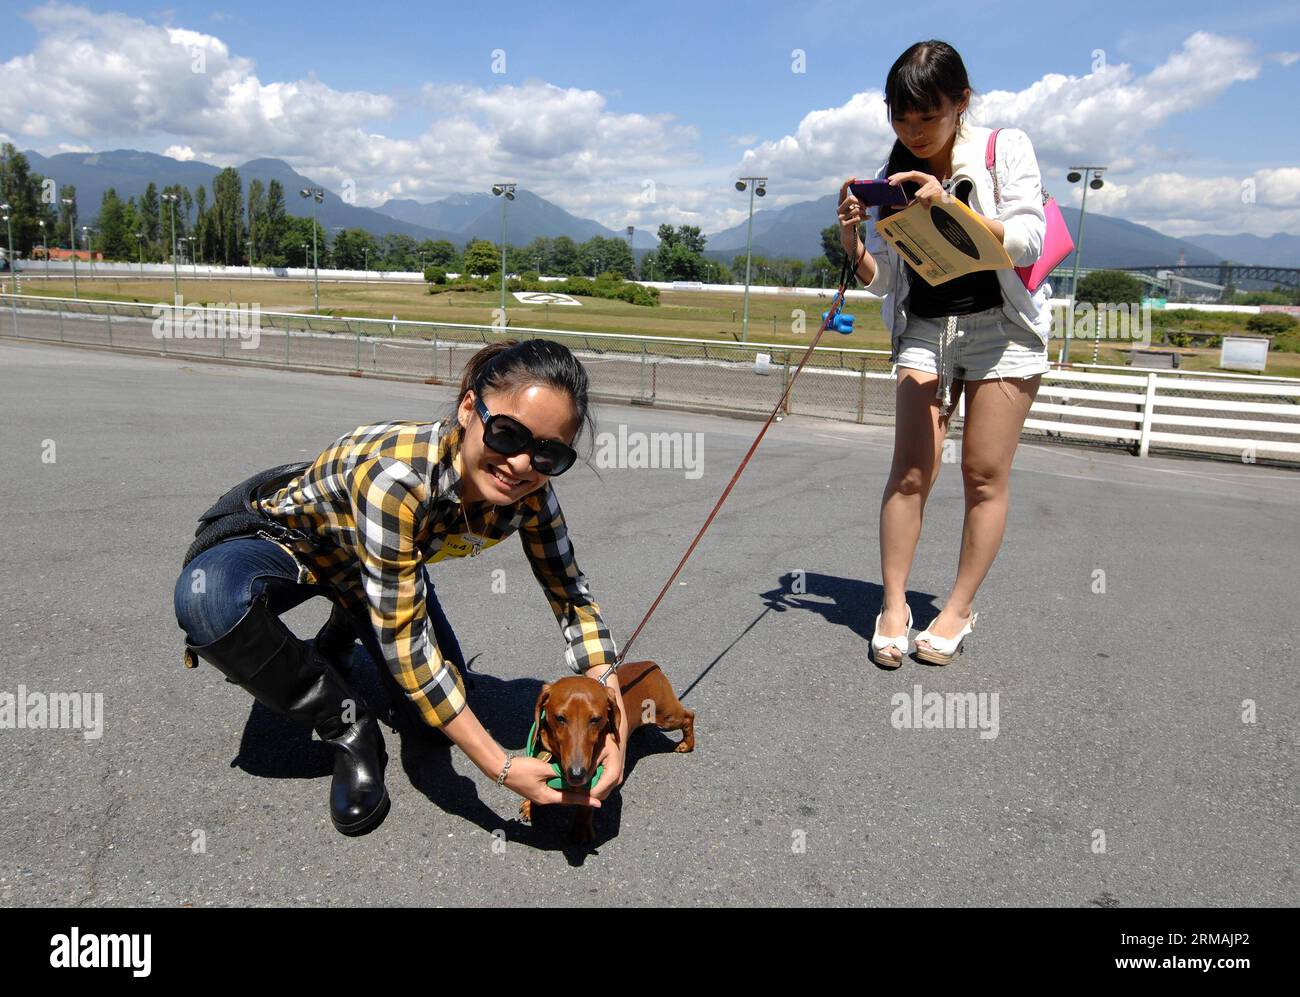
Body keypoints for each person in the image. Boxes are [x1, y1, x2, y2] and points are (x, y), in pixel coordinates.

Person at [173, 338, 627, 834]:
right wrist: (500, 765)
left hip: (376, 573)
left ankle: (341, 631)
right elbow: (408, 644)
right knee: (208, 599)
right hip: (288, 545)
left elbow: (570, 596)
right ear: (470, 408)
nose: (521, 465)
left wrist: (616, 724)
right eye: (506, 434)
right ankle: (348, 727)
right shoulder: (397, 477)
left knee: (431, 723)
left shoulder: (532, 494)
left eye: (549, 454)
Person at [836, 40, 1052, 667]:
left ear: (961, 101)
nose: (913, 132)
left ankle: (957, 607)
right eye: (901, 119)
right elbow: (886, 280)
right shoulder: (894, 166)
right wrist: (853, 239)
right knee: (910, 471)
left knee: (983, 475)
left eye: (926, 118)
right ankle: (895, 605)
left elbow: (1029, 238)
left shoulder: (1002, 147)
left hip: (1001, 328)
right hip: (926, 327)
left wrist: (950, 204)